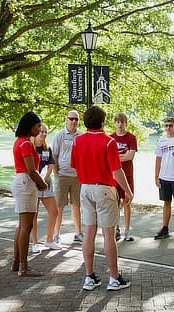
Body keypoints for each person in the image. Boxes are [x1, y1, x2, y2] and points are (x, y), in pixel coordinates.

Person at [71, 106, 134, 291]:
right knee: (108, 234)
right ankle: (114, 277)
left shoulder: (77, 141)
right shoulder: (109, 142)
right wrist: (128, 191)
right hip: (104, 188)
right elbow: (117, 170)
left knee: (89, 232)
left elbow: (74, 166)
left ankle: (89, 276)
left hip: (86, 188)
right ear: (103, 122)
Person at [10, 112, 47, 277]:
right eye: (38, 126)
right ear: (29, 125)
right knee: (27, 226)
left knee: (22, 226)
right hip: (25, 182)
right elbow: (31, 170)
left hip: (22, 182)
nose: (40, 130)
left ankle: (17, 262)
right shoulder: (25, 144)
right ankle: (23, 266)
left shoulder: (19, 142)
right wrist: (42, 183)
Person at [30, 124, 62, 253]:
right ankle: (35, 242)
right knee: (34, 214)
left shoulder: (47, 148)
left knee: (54, 212)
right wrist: (38, 180)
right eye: (41, 132)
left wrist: (44, 179)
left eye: (45, 132)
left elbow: (50, 165)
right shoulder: (30, 147)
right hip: (33, 184)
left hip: (46, 184)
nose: (43, 134)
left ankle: (49, 240)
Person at [52, 110, 83, 245]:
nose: (73, 122)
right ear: (66, 119)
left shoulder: (81, 136)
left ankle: (78, 233)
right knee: (59, 206)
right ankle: (56, 235)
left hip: (77, 177)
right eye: (71, 119)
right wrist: (56, 173)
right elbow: (54, 155)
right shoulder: (60, 135)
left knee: (76, 205)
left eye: (76, 119)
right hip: (62, 176)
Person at [110, 113, 137, 242]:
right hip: (114, 175)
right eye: (118, 122)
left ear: (126, 123)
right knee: (115, 202)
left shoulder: (131, 138)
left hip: (127, 174)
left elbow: (130, 156)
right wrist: (122, 156)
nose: (120, 124)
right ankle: (116, 229)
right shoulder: (110, 138)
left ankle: (127, 230)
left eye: (122, 122)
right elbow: (109, 158)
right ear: (115, 123)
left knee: (127, 201)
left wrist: (117, 157)